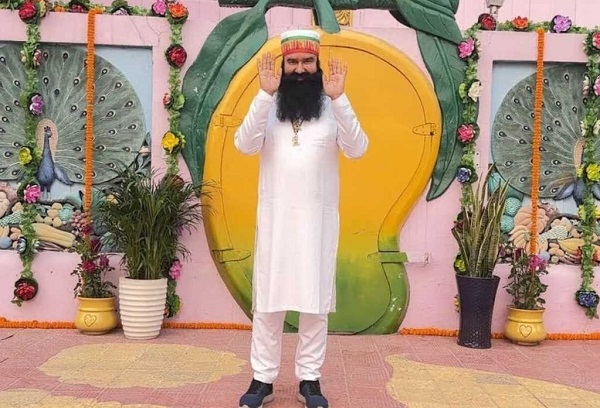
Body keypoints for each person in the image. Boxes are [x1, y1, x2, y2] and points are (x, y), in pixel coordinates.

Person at [235, 29, 368, 408]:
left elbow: (358, 148)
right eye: (292, 62)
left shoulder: (332, 107)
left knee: (314, 305)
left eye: (307, 61)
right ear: (283, 65)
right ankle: (262, 380)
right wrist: (263, 94)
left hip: (316, 227)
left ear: (317, 64)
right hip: (275, 224)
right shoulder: (268, 105)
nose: (299, 69)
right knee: (268, 304)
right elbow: (244, 145)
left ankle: (310, 379)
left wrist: (340, 99)